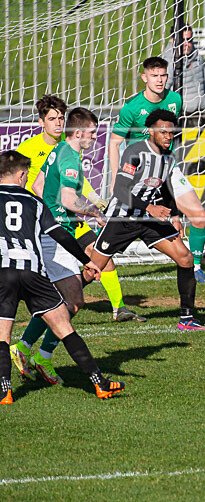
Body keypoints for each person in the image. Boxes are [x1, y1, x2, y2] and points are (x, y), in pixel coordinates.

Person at [0, 150, 124, 403]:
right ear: (21, 175)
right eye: (26, 175)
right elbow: (60, 235)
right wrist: (87, 261)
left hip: (4, 273)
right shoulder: (35, 202)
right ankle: (100, 384)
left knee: (3, 336)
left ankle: (5, 392)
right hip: (33, 273)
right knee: (65, 328)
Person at [16, 95, 144, 325]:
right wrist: (42, 209)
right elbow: (30, 185)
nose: (58, 123)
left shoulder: (65, 147)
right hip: (49, 222)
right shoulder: (29, 148)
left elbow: (75, 183)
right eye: (52, 119)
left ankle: (118, 307)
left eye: (61, 118)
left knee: (101, 254)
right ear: (41, 122)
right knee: (45, 281)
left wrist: (96, 200)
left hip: (69, 217)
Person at [10, 108, 110, 385]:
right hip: (55, 238)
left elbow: (39, 185)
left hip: (53, 232)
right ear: (78, 133)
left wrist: (48, 213)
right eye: (92, 132)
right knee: (72, 301)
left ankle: (31, 350)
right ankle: (34, 352)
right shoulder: (69, 157)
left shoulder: (58, 150)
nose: (95, 136)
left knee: (62, 298)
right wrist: (92, 211)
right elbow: (67, 199)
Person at [87, 110, 205, 331]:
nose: (168, 136)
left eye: (171, 132)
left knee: (185, 258)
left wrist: (175, 216)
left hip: (150, 219)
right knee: (92, 270)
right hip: (123, 218)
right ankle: (59, 304)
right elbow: (120, 189)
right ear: (151, 131)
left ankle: (187, 318)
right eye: (163, 132)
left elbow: (166, 188)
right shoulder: (135, 152)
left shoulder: (168, 157)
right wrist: (150, 207)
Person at [108, 56, 205, 284]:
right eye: (154, 75)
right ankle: (93, 264)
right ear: (144, 77)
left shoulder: (175, 99)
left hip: (167, 168)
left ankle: (195, 268)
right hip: (139, 175)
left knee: (199, 216)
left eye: (163, 75)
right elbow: (114, 143)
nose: (159, 80)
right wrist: (117, 176)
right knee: (112, 226)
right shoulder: (132, 108)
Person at [162, 25, 205, 113]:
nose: (186, 44)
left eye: (189, 40)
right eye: (182, 40)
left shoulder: (197, 56)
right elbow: (162, 91)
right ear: (173, 40)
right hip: (183, 112)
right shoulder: (169, 62)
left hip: (203, 108)